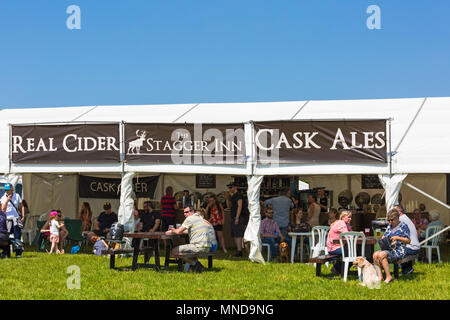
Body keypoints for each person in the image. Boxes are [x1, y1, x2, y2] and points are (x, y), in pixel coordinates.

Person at [166, 206, 212, 272]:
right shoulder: (200, 218)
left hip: (198, 246)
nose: (185, 214)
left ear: (192, 212)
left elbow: (178, 231)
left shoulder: (190, 218)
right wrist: (176, 230)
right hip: (207, 247)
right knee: (186, 251)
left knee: (174, 252)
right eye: (184, 212)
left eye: (187, 212)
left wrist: (172, 230)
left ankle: (196, 264)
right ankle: (193, 266)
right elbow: (188, 231)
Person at [372, 209, 411, 283]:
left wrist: (397, 238)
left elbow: (408, 241)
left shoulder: (403, 226)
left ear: (397, 218)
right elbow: (385, 235)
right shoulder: (390, 226)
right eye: (388, 220)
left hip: (399, 250)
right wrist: (383, 238)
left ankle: (388, 277)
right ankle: (380, 277)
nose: (390, 222)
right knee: (375, 254)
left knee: (382, 254)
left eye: (392, 220)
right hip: (389, 248)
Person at [393, 205, 420, 275]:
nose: (392, 213)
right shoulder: (405, 217)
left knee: (392, 251)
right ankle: (407, 269)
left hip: (412, 248)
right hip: (415, 246)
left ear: (399, 212)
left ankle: (396, 271)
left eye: (394, 211)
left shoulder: (401, 219)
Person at [0, 183, 25, 258]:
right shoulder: (3, 198)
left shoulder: (17, 196)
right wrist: (7, 200)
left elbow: (22, 206)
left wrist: (23, 216)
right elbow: (3, 210)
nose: (7, 191)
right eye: (6, 190)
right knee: (5, 237)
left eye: (9, 190)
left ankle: (18, 253)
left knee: (17, 236)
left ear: (12, 189)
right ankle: (6, 252)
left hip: (16, 218)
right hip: (7, 220)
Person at [226, 182, 245, 257]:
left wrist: (237, 217)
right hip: (233, 216)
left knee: (238, 234)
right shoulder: (233, 196)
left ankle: (239, 251)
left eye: (230, 188)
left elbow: (240, 206)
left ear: (235, 187)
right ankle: (238, 250)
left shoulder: (239, 195)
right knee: (235, 234)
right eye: (229, 188)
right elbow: (229, 206)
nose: (229, 189)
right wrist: (227, 198)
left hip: (238, 217)